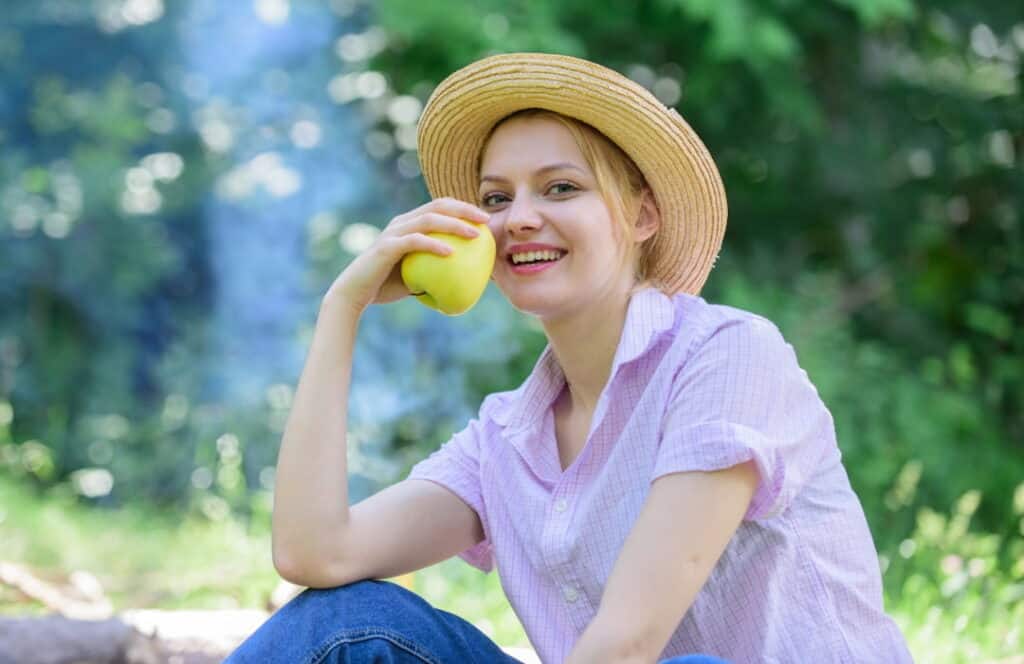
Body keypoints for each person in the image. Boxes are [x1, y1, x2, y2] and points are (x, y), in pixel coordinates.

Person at [225, 53, 913, 663]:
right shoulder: (507, 440)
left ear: (643, 216)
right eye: (497, 198)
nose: (518, 217)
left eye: (560, 188)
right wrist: (341, 311)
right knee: (347, 618)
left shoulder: (728, 357)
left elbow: (628, 643)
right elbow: (315, 553)